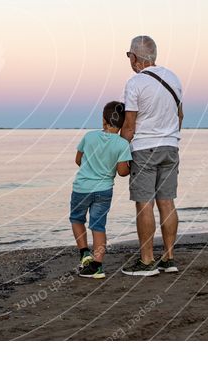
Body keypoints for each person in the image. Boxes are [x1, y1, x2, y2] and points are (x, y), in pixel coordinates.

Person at [120, 35, 183, 277]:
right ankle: (169, 258)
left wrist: (118, 153)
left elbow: (129, 126)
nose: (129, 60)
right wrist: (170, 138)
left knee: (144, 203)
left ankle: (147, 261)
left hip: (145, 148)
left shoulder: (135, 83)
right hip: (171, 147)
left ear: (135, 58)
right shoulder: (174, 78)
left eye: (129, 56)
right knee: (167, 202)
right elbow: (180, 116)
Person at [70, 101, 132, 279]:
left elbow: (78, 160)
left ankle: (84, 253)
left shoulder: (89, 137)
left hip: (81, 187)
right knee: (98, 226)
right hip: (104, 190)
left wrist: (91, 166)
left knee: (76, 219)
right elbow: (122, 172)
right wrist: (131, 166)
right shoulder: (122, 144)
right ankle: (97, 266)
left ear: (104, 120)